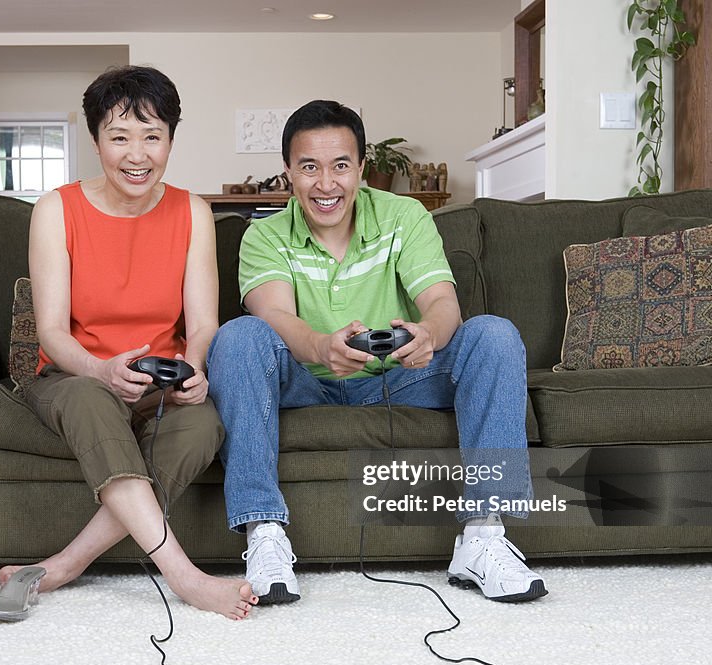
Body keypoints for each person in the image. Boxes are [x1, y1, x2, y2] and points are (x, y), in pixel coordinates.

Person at [207, 100, 547, 604]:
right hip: (306, 381)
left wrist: (428, 333)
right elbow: (273, 316)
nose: (326, 184)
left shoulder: (404, 215)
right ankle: (264, 536)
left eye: (340, 165)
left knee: (492, 334)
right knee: (237, 337)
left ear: (362, 168)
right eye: (309, 167)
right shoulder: (264, 235)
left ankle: (482, 536)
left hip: (401, 376)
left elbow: (441, 302)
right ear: (288, 173)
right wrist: (322, 345)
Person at [0, 65, 256, 620]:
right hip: (71, 378)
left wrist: (193, 368)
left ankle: (64, 564)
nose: (137, 155)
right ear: (95, 141)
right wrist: (99, 370)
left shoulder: (192, 212)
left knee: (205, 423)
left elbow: (203, 321)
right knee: (93, 399)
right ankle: (185, 578)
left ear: (170, 141)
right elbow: (50, 332)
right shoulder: (56, 210)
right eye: (119, 137)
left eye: (152, 136)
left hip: (157, 384)